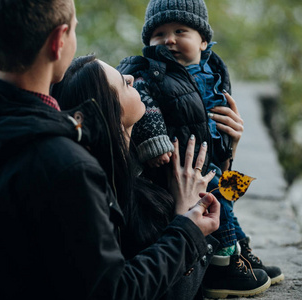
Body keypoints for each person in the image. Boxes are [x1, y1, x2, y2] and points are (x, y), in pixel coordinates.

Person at [0, 0, 222, 299]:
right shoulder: (66, 164)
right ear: (59, 40)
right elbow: (112, 292)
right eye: (73, 28)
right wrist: (186, 230)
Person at [117, 0, 283, 298]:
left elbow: (217, 112)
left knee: (229, 199)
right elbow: (143, 102)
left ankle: (240, 253)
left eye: (181, 30)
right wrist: (154, 139)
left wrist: (228, 143)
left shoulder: (213, 70)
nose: (169, 39)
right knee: (219, 206)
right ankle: (224, 264)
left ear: (204, 40)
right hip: (173, 167)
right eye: (159, 34)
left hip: (208, 161)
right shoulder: (148, 70)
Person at [51, 54, 220, 300]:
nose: (131, 77)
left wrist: (227, 154)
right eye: (123, 83)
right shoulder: (110, 196)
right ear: (112, 113)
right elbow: (169, 294)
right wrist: (185, 220)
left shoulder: (143, 165)